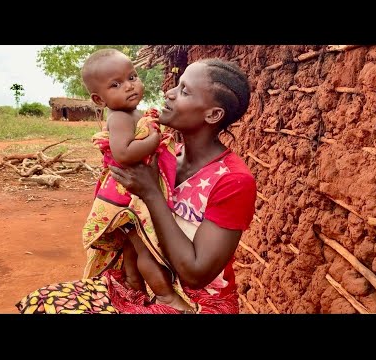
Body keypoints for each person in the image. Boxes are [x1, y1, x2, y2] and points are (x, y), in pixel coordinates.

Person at [16, 57, 257, 314]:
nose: (169, 93)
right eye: (176, 85)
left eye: (184, 91)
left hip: (198, 303)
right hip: (148, 287)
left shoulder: (233, 180)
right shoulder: (166, 155)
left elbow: (195, 274)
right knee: (42, 303)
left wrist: (150, 192)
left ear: (213, 114)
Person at [79, 48, 194, 313]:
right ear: (99, 98)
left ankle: (133, 284)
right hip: (126, 195)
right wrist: (154, 139)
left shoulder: (133, 113)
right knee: (145, 249)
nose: (129, 86)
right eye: (116, 84)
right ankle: (165, 295)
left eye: (132, 77)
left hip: (125, 192)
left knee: (133, 245)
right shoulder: (119, 117)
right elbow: (123, 154)